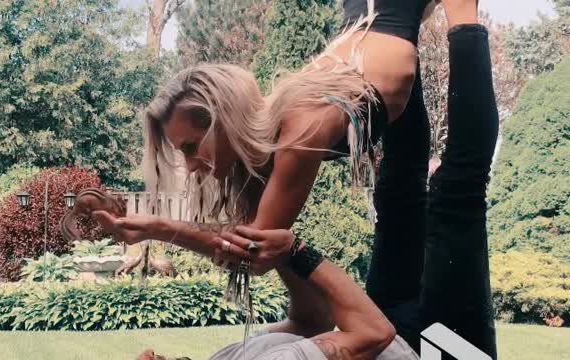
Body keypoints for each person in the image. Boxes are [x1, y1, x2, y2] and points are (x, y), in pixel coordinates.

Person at [94, 0, 497, 358]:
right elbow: (293, 291)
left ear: (222, 120)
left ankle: (463, 14)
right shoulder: (261, 158)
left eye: (189, 146)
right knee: (404, 192)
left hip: (381, 31)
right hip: (377, 42)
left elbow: (253, 249)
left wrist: (156, 227)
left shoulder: (296, 135)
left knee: (456, 190)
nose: (192, 165)